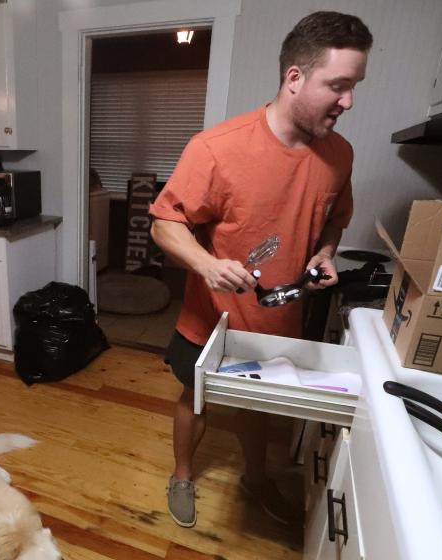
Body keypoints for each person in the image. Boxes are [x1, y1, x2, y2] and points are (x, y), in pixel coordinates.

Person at [149, 11, 372, 528]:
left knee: (259, 409)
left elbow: (334, 221)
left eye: (354, 87)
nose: (348, 102)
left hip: (279, 320)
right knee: (195, 398)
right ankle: (182, 474)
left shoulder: (340, 155)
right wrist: (206, 264)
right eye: (337, 86)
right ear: (294, 78)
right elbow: (164, 223)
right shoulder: (217, 149)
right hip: (211, 320)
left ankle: (257, 478)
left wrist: (326, 254)